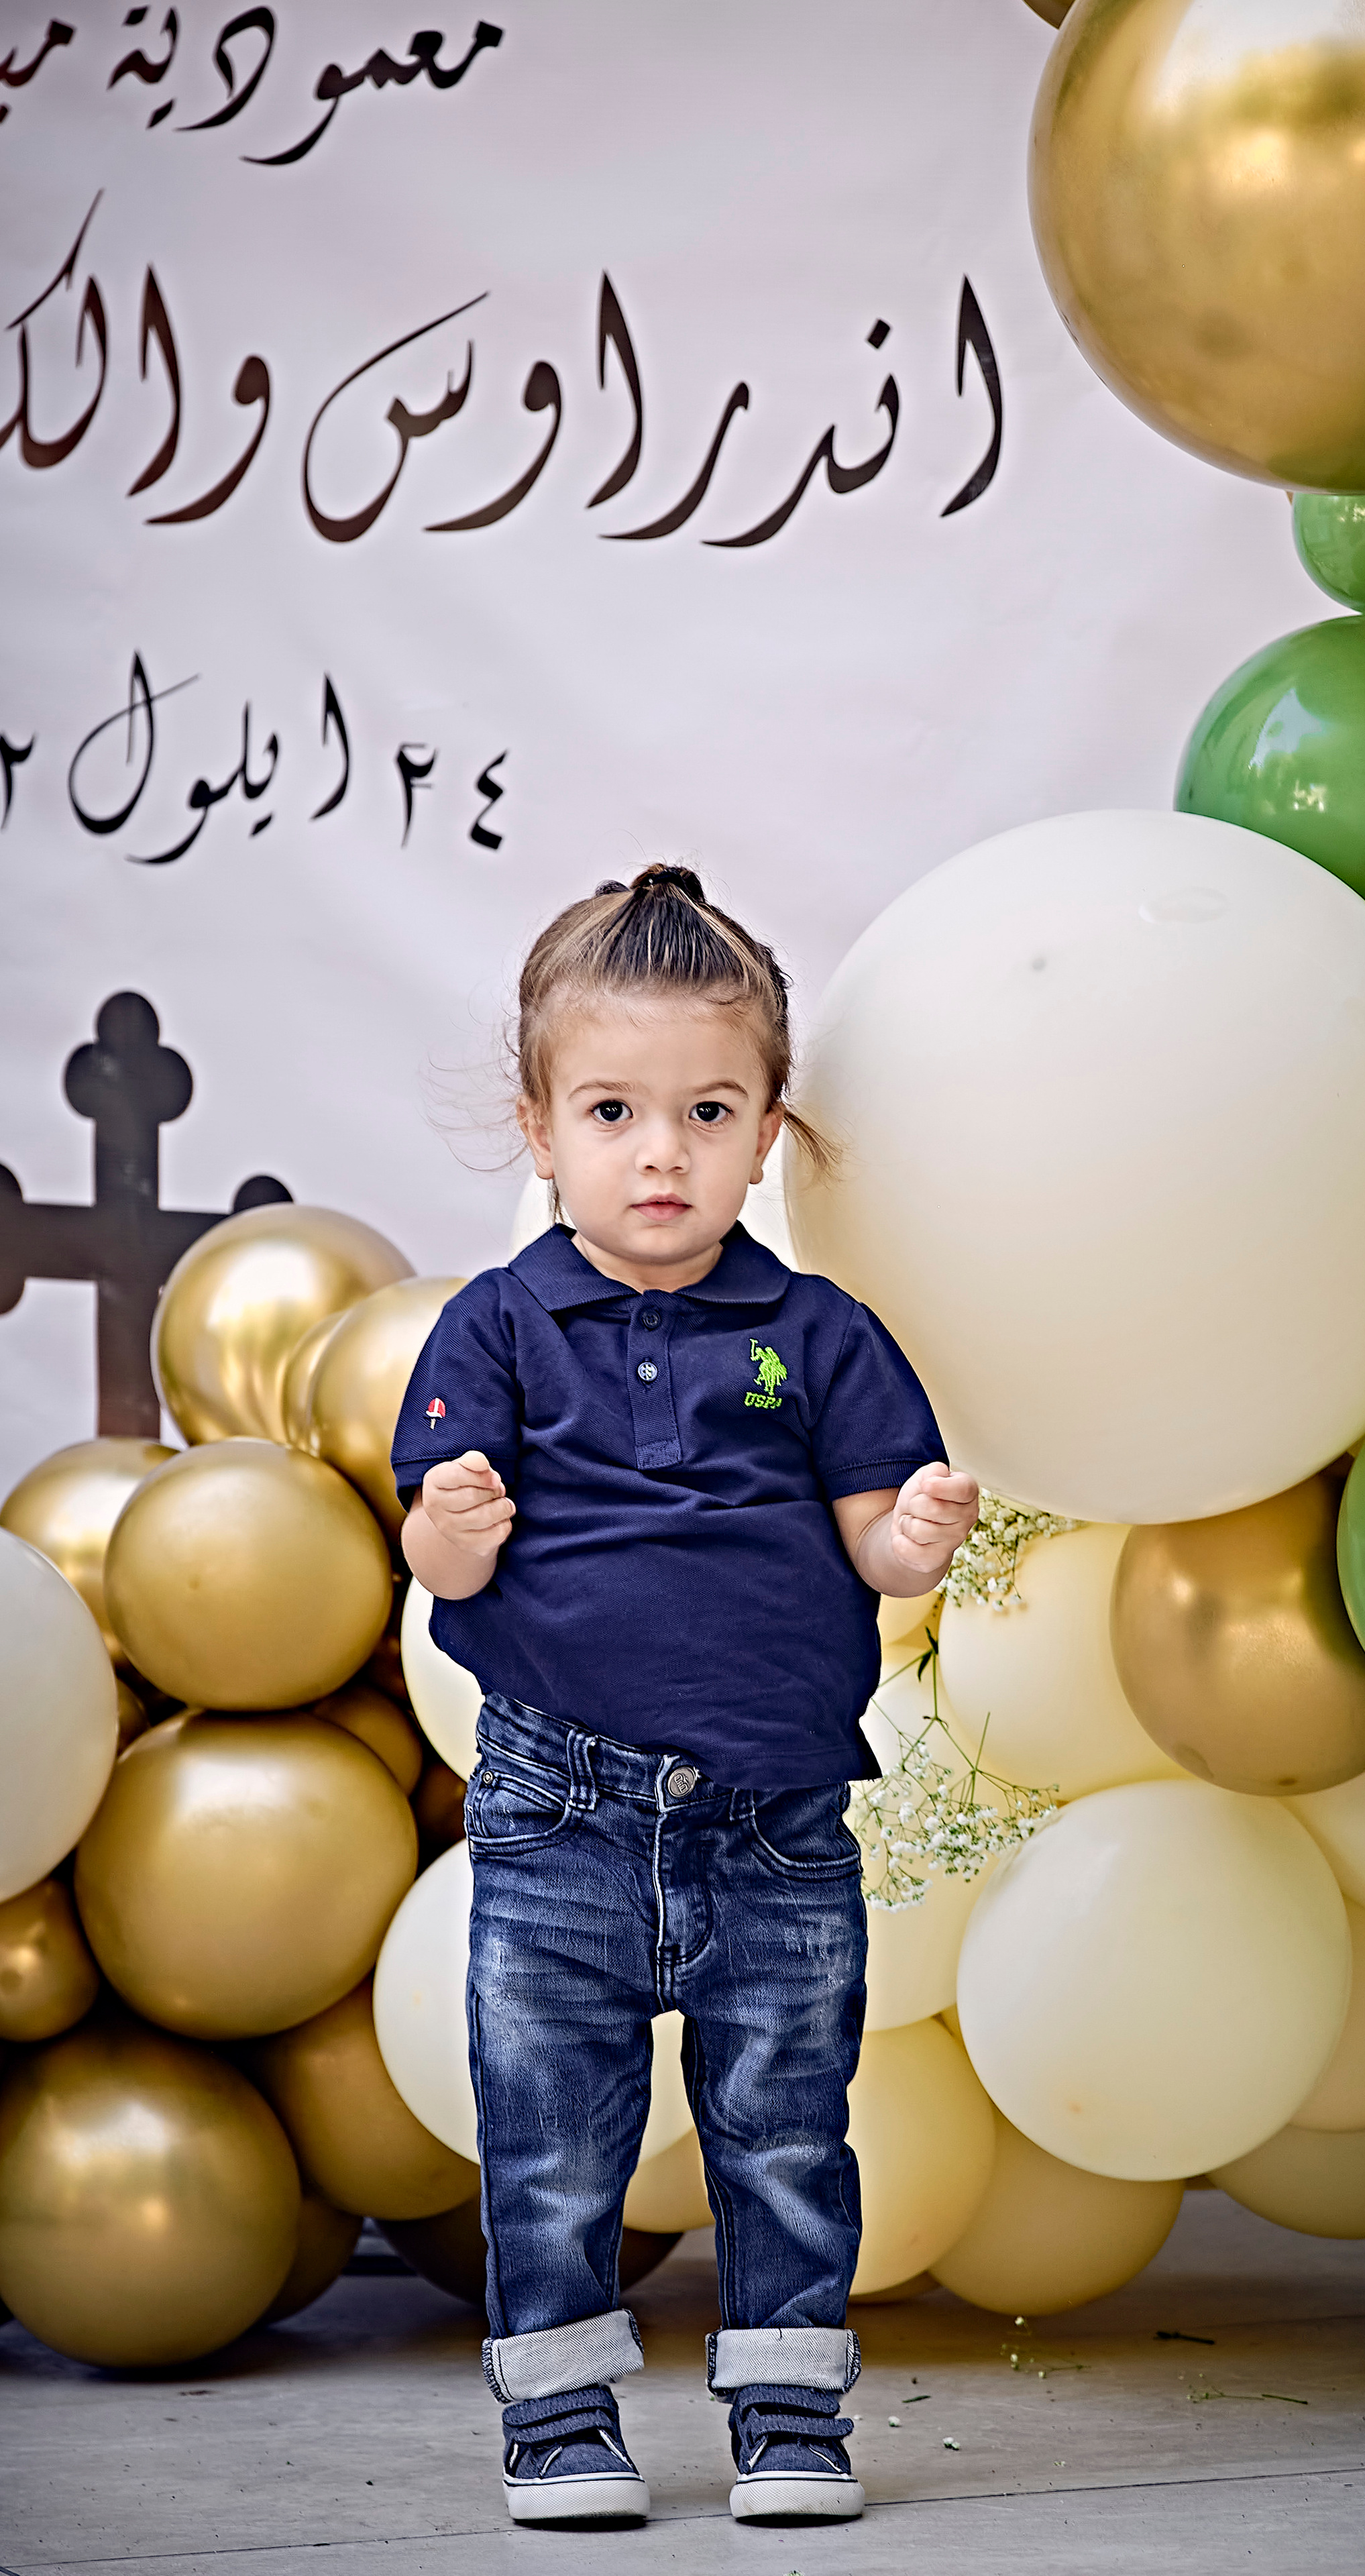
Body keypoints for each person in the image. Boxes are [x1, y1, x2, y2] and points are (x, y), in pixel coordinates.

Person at [392, 864, 979, 2531]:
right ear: (539, 1129)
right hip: (556, 1809)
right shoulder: (499, 1327)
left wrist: (916, 1530)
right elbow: (439, 1561)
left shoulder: (821, 1330)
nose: (662, 1153)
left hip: (776, 1821)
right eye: (613, 1111)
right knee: (553, 2137)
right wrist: (449, 1524)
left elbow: (878, 1549)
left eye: (706, 1111)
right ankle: (562, 2420)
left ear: (767, 1131)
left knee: (785, 2126)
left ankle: (790, 2417)